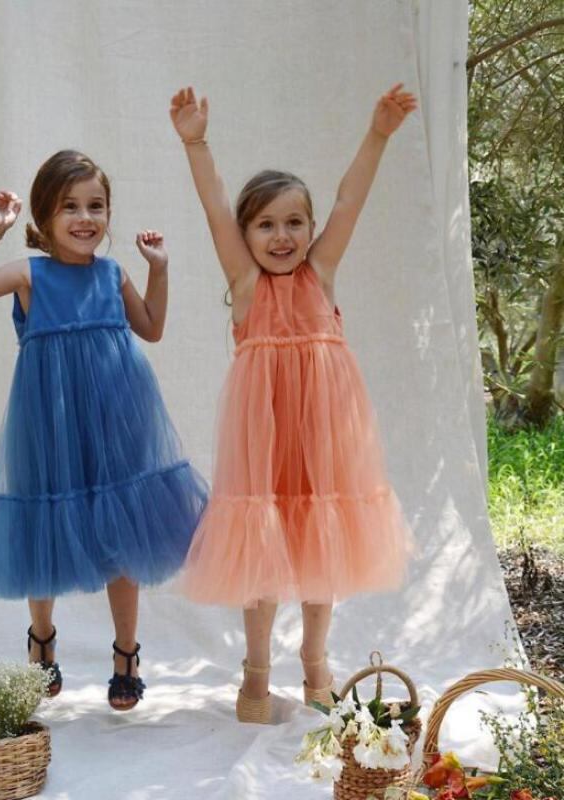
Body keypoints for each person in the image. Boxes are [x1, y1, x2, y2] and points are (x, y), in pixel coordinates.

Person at [170, 85, 416, 723]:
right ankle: (255, 676)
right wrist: (197, 143)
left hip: (325, 432)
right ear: (246, 233)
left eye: (294, 223)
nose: (282, 236)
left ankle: (315, 664)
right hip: (262, 438)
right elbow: (214, 205)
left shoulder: (321, 272)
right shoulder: (246, 282)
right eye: (266, 224)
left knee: (319, 538)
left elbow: (349, 199)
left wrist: (378, 134)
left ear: (310, 228)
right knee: (261, 544)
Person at [0, 149, 207, 711]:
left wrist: (160, 268)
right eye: (69, 206)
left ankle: (126, 655)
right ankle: (42, 641)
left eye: (96, 206)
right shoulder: (30, 274)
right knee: (46, 522)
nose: (85, 218)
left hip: (117, 416)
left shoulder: (113, 274)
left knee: (122, 530)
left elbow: (152, 328)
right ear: (44, 216)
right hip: (50, 420)